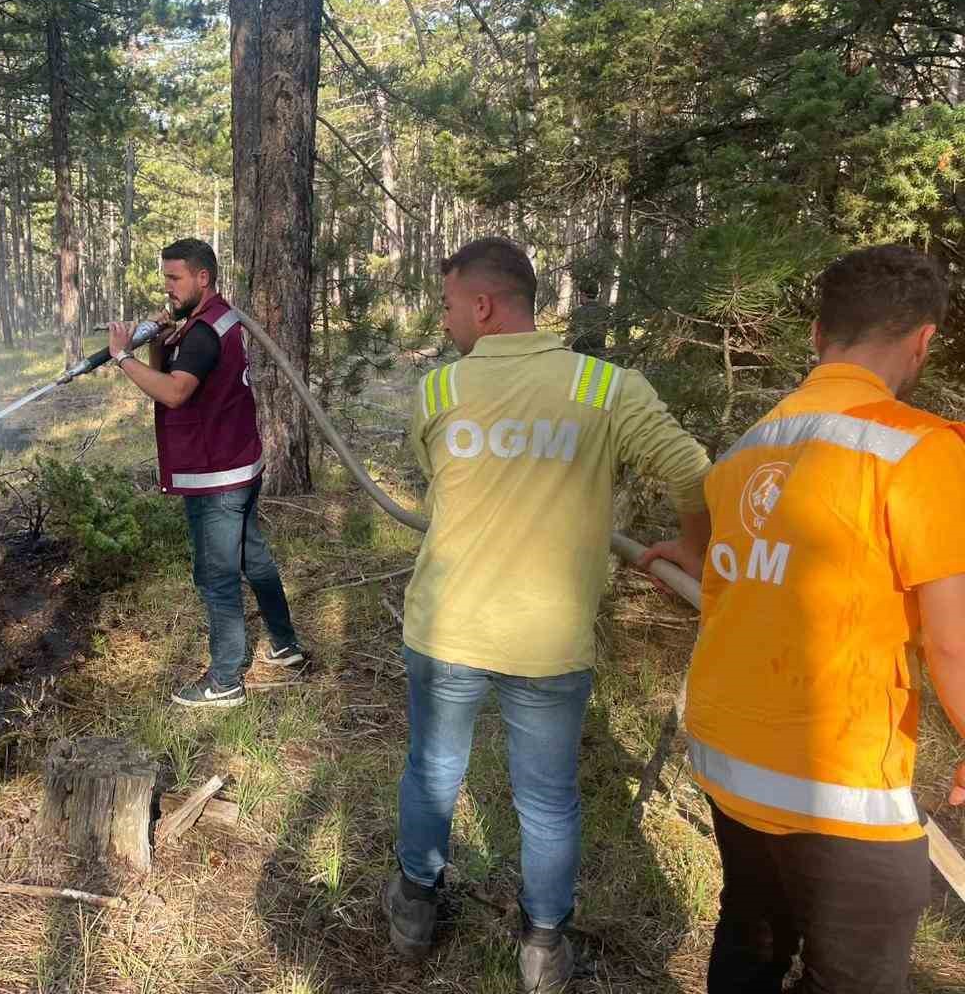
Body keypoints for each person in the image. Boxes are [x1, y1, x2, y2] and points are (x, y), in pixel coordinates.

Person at [384, 237, 711, 993]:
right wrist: (693, 551)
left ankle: (414, 908)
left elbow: (441, 488)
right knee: (547, 797)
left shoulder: (438, 393)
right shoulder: (606, 389)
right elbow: (695, 472)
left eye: (447, 305)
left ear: (484, 305)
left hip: (447, 629)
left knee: (432, 771)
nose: (445, 321)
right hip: (549, 640)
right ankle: (542, 946)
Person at [641, 245, 965, 994]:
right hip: (839, 791)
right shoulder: (920, 452)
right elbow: (951, 638)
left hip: (731, 765)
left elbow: (746, 579)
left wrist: (685, 561)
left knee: (751, 940)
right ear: (923, 341)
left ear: (818, 336)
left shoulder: (747, 453)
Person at [106, 238, 305, 709]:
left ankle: (225, 680)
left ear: (202, 278)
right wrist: (153, 344)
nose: (168, 288)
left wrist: (121, 357)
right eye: (166, 279)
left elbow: (174, 393)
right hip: (238, 464)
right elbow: (171, 376)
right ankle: (284, 646)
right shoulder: (212, 319)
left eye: (175, 279)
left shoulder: (202, 333)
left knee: (216, 576)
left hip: (216, 476)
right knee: (252, 559)